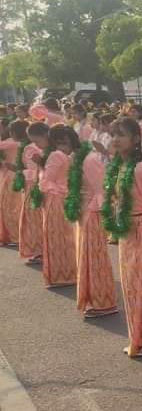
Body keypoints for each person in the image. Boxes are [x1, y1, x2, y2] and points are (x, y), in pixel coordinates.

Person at [104, 118, 142, 358]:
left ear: (136, 139)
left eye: (122, 134)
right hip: (126, 231)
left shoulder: (140, 167)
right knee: (130, 284)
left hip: (141, 230)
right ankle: (140, 334)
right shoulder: (119, 165)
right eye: (113, 133)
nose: (115, 139)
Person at [65, 129, 118, 318]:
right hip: (83, 212)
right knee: (87, 258)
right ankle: (94, 299)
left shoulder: (89, 159)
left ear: (70, 141)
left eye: (62, 143)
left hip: (93, 213)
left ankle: (104, 301)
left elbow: (101, 189)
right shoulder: (75, 158)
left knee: (96, 259)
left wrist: (105, 215)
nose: (59, 148)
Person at [35, 124, 77, 289]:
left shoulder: (55, 155)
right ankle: (69, 272)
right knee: (64, 236)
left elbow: (45, 181)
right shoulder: (66, 155)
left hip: (55, 199)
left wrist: (40, 167)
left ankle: (62, 275)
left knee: (56, 237)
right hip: (63, 197)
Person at [17, 122, 46, 264]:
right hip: (37, 185)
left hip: (36, 186)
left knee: (35, 220)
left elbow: (34, 170)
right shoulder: (40, 148)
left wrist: (20, 172)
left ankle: (40, 250)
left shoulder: (31, 148)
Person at [0, 119, 27, 248]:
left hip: (11, 176)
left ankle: (15, 236)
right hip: (11, 175)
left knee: (9, 208)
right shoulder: (18, 143)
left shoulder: (9, 143)